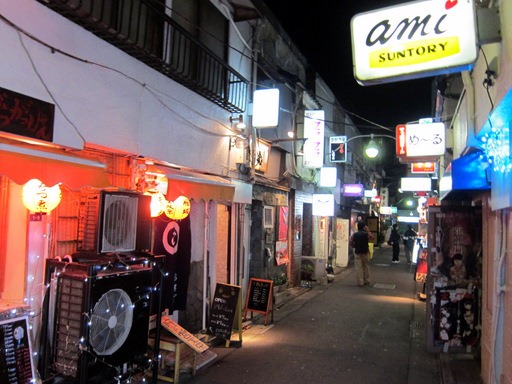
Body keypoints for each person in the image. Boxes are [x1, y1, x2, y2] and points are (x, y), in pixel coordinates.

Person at [350, 221, 374, 287]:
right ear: (364, 227)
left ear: (357, 227)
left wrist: (354, 246)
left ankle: (360, 282)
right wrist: (368, 230)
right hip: (365, 252)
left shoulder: (354, 234)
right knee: (366, 267)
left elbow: (351, 242)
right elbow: (372, 238)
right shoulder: (366, 234)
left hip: (357, 252)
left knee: (358, 268)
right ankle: (367, 281)